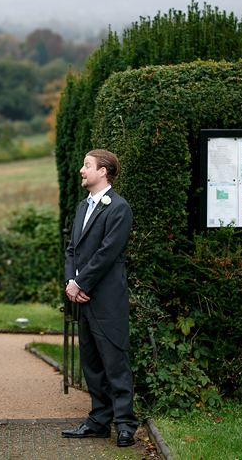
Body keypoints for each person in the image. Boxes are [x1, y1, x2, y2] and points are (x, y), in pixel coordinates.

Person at [61, 149, 139, 448]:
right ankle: (98, 421)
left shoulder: (119, 208)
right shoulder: (83, 207)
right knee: (91, 363)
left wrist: (81, 282)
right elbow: (72, 249)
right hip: (82, 297)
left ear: (104, 171)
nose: (82, 170)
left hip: (106, 298)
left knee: (115, 361)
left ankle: (125, 425)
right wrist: (71, 281)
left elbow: (108, 253)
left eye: (87, 165)